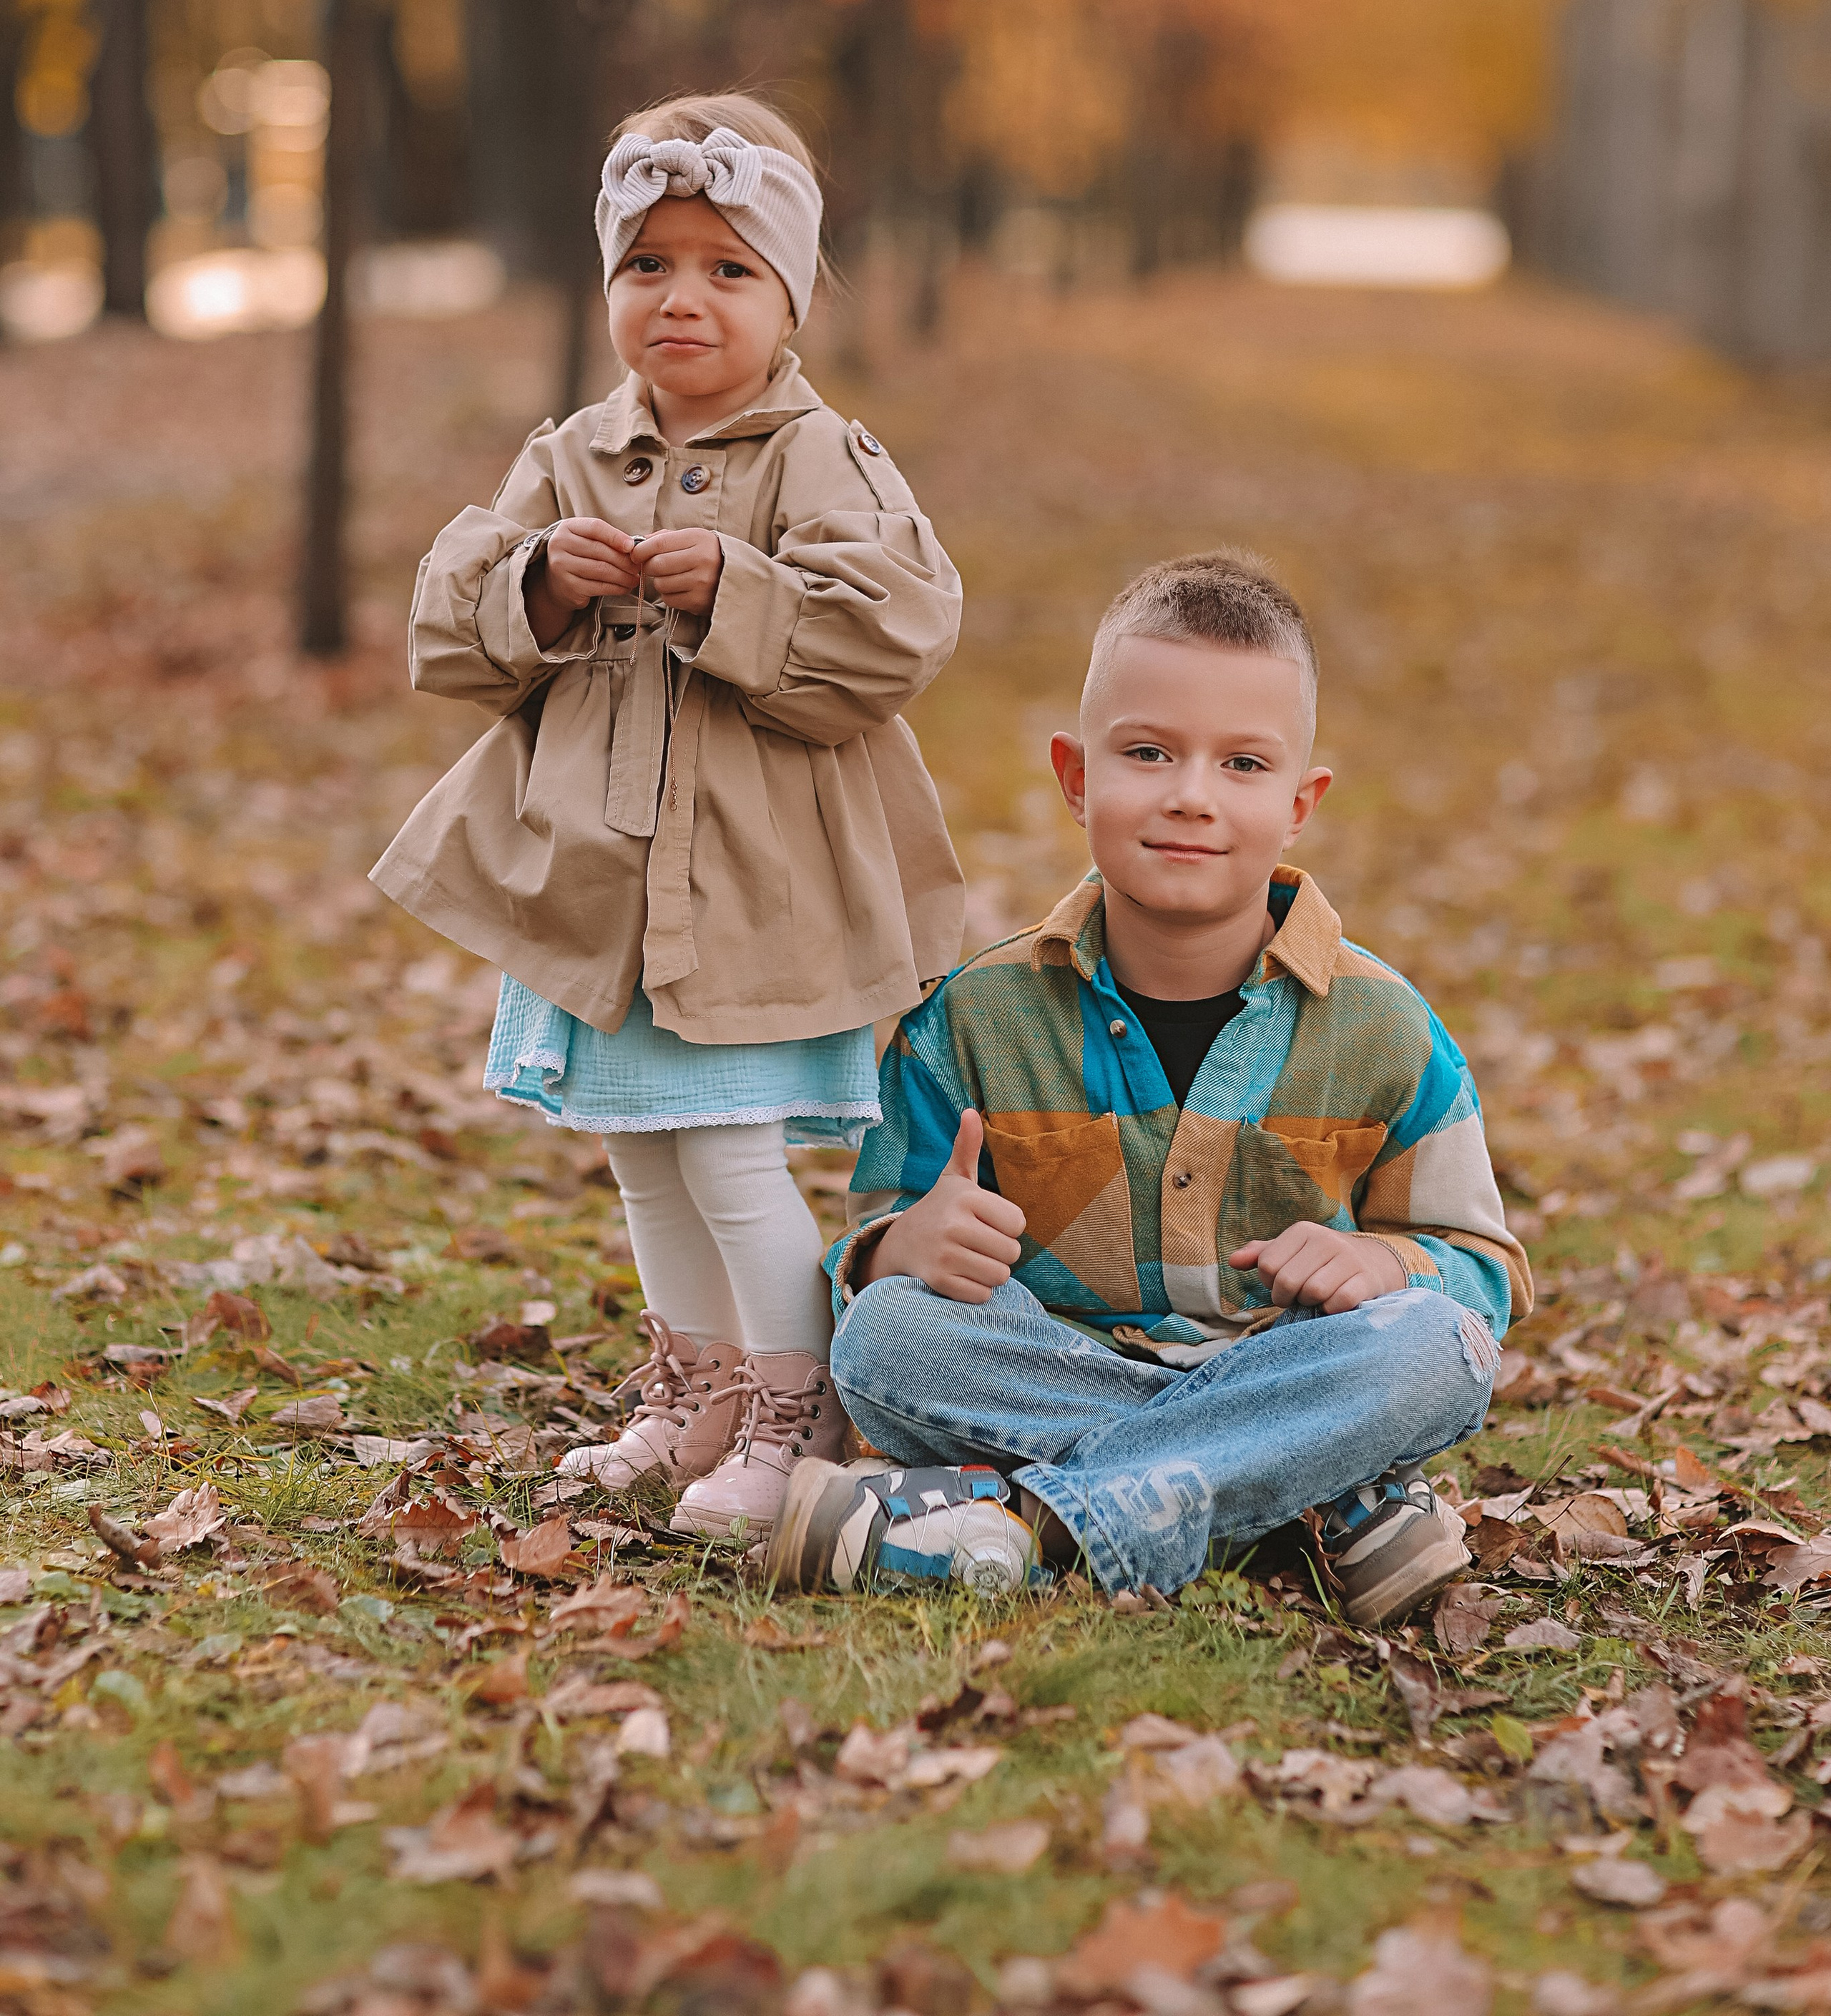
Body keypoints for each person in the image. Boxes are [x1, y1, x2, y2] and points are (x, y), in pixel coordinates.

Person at [371, 94, 965, 1538]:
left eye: (726, 269)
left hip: (753, 884)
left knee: (724, 1149)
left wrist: (740, 591)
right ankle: (691, 1391)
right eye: (648, 266)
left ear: (795, 295)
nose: (681, 298)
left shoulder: (822, 457)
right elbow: (445, 629)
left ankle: (790, 1403)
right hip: (601, 881)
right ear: (605, 288)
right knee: (641, 1148)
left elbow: (897, 629)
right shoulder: (571, 453)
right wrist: (538, 579)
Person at [768, 550, 1531, 1627]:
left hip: (1287, 1363)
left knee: (1437, 1348)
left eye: (1243, 766)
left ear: (1302, 801)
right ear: (1077, 777)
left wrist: (1383, 1259)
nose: (1190, 796)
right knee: (891, 1335)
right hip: (1046, 1368)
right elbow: (879, 1256)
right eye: (1148, 752)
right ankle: (1312, 1504)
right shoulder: (972, 1022)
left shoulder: (1385, 1030)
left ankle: (1023, 1524)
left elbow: (1483, 1277)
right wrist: (906, 1245)